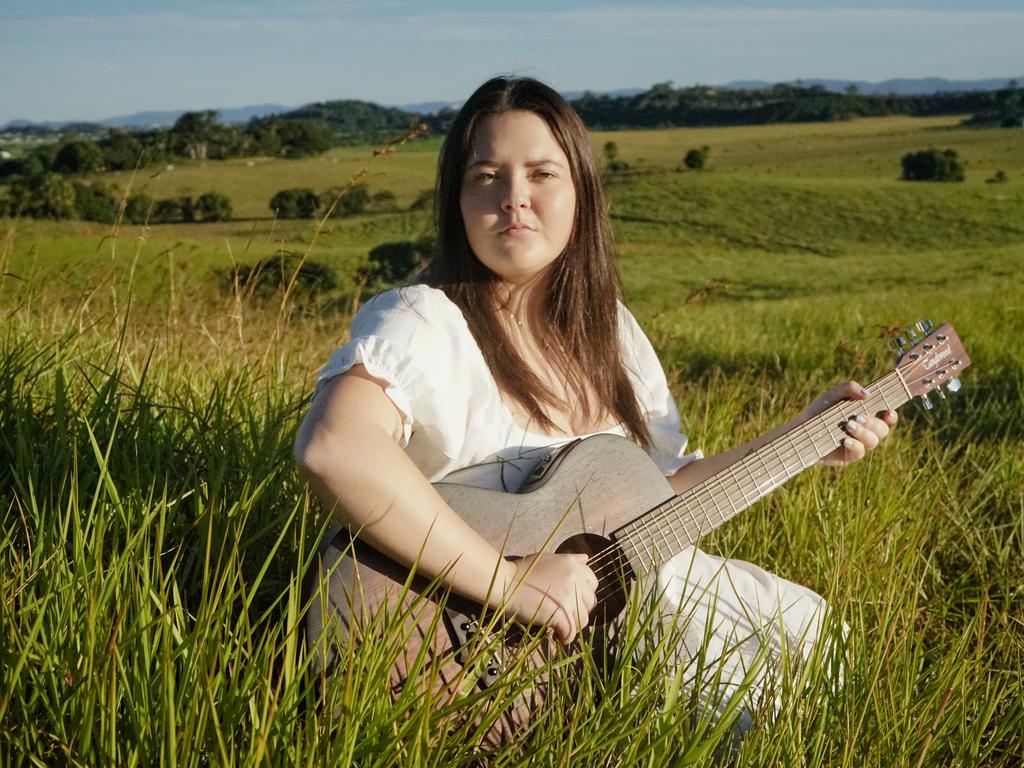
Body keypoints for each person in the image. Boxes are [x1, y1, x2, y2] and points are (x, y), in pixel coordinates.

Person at [293, 76, 896, 740]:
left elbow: (649, 497)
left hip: (601, 624)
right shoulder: (423, 317)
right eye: (486, 176)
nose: (513, 197)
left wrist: (803, 437)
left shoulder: (609, 329)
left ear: (580, 191)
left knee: (814, 641)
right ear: (456, 202)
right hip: (448, 638)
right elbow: (335, 449)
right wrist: (512, 586)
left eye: (540, 174)